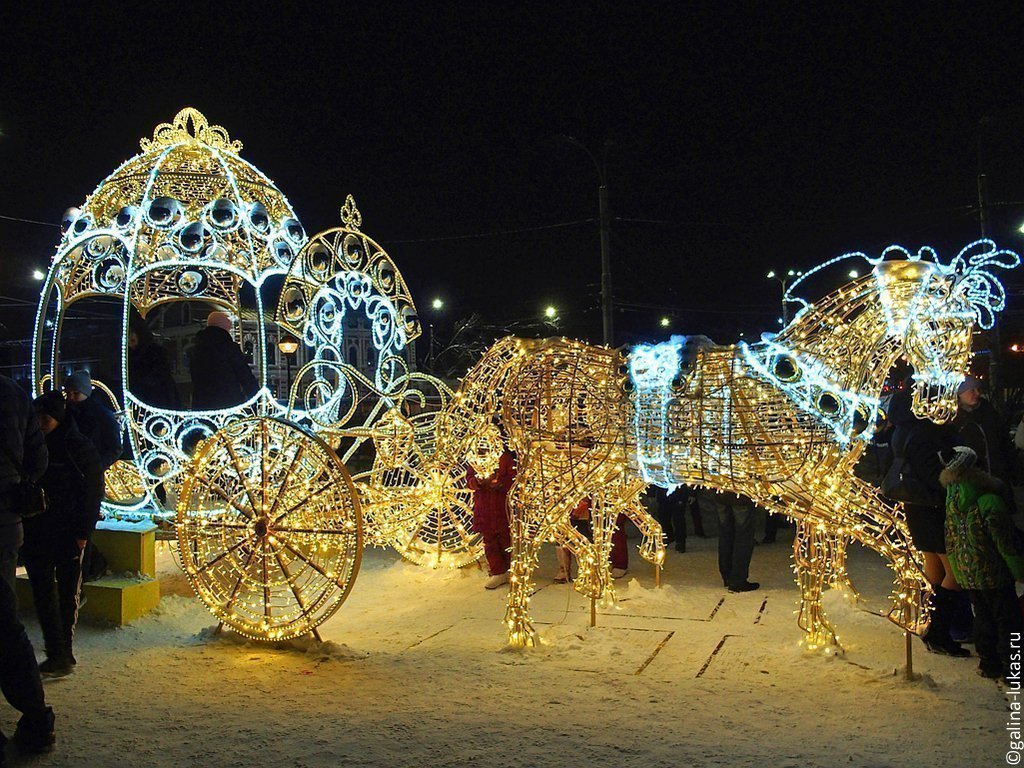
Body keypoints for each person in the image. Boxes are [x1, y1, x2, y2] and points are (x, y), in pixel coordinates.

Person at [23, 392, 104, 677]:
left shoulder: (77, 447)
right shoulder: (32, 446)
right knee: (43, 592)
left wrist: (83, 531)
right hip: (38, 530)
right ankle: (55, 650)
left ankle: (63, 651)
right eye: (39, 418)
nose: (42, 423)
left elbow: (93, 490)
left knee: (68, 592)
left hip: (68, 530)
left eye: (47, 418)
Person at [885, 382, 968, 656]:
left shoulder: (902, 429)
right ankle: (939, 633)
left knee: (935, 567)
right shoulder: (925, 431)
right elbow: (934, 475)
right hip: (933, 507)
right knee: (956, 572)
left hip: (916, 507)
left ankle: (931, 625)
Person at [0, 375, 54, 756]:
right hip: (5, 523)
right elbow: (39, 458)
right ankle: (36, 718)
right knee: (5, 623)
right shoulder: (13, 393)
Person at [939, 446, 1024, 681]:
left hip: (969, 574)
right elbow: (1005, 542)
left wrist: (959, 571)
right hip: (995, 573)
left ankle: (989, 664)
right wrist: (1019, 570)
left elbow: (951, 540)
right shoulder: (989, 500)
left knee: (983, 619)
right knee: (1009, 622)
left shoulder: (952, 502)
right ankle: (1014, 670)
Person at [951, 376, 1016, 509]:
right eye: (971, 390)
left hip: (998, 476)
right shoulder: (954, 420)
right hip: (973, 482)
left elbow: (1003, 441)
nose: (977, 393)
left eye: (978, 389)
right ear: (960, 394)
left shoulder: (988, 412)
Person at [188, 311, 259, 410]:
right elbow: (245, 376)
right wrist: (257, 399)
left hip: (202, 404)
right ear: (225, 327)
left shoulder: (195, 350)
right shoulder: (229, 347)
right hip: (228, 404)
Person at [467, 449, 515, 589]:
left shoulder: (504, 457)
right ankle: (497, 571)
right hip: (484, 506)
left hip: (502, 505)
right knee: (489, 540)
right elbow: (469, 479)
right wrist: (476, 481)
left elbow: (513, 478)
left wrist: (500, 484)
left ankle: (507, 569)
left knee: (506, 538)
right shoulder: (475, 458)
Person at [64, 370, 121, 470]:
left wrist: (96, 466)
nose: (70, 397)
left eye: (76, 393)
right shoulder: (65, 412)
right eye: (68, 393)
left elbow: (115, 448)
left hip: (90, 471)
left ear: (85, 392)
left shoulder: (102, 415)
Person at [127, 313, 179, 410]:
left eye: (132, 340)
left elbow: (161, 384)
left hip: (155, 402)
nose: (130, 343)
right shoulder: (131, 357)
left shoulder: (154, 355)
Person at [717, 491, 759, 592]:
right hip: (741, 495)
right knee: (743, 537)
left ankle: (727, 575)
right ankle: (737, 579)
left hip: (720, 493)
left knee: (725, 535)